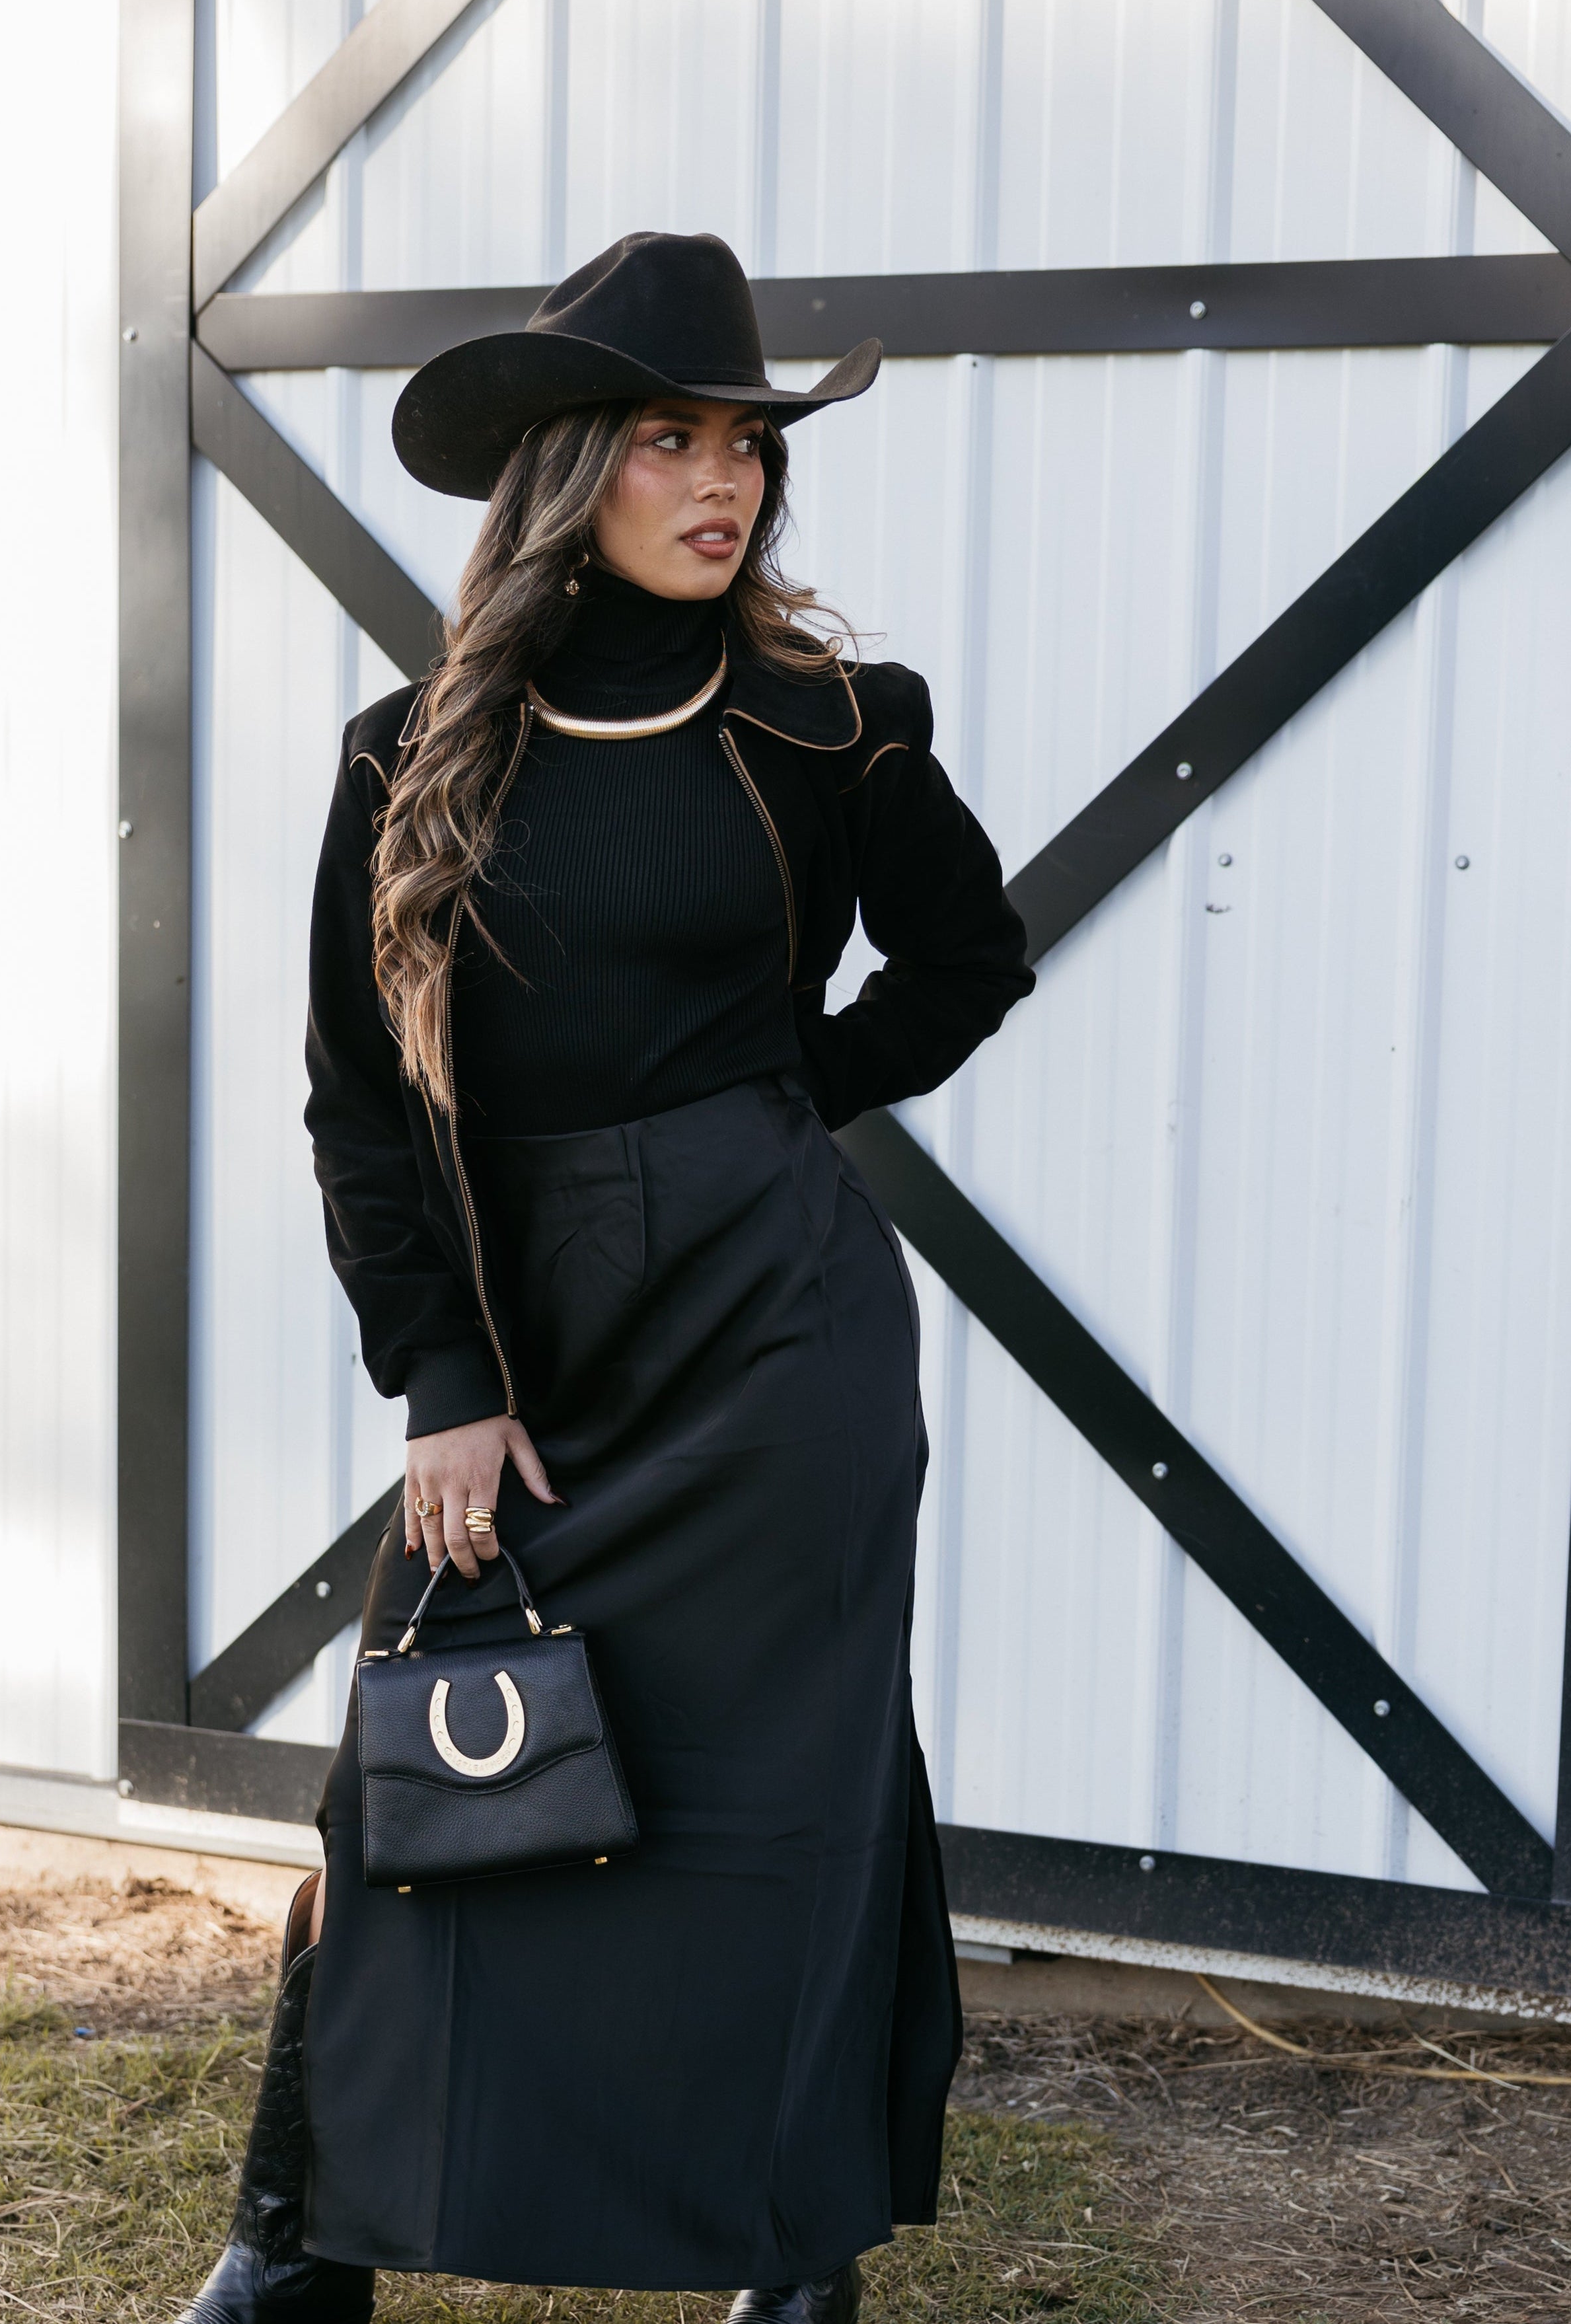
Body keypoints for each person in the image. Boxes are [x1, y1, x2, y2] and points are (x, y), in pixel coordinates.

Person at [179, 231, 1033, 2324]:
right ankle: (299, 2247)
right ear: (571, 467)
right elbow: (358, 1106)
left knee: (788, 1809)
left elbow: (968, 957)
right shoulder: (412, 756)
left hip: (782, 1345)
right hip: (531, 1345)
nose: (721, 476)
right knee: (418, 1777)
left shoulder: (827, 724)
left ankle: (791, 2255)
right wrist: (441, 1375)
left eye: (744, 440)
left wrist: (771, 1099)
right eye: (669, 437)